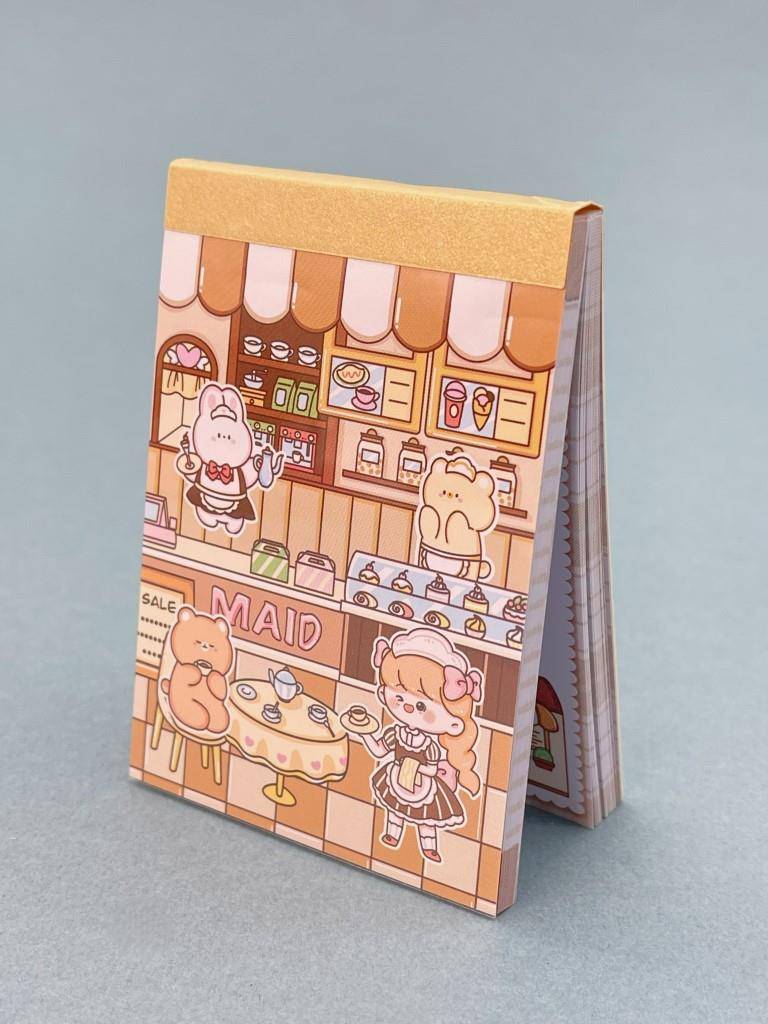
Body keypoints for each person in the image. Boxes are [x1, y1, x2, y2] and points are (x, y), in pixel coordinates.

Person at [361, 627, 482, 863]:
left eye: (421, 706)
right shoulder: (396, 733)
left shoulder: (429, 745)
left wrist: (416, 768)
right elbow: (379, 750)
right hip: (396, 778)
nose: (407, 707)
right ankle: (392, 835)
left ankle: (429, 847)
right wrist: (364, 732)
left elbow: (433, 768)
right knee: (395, 809)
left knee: (426, 819)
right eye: (399, 697)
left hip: (423, 785)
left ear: (453, 722)